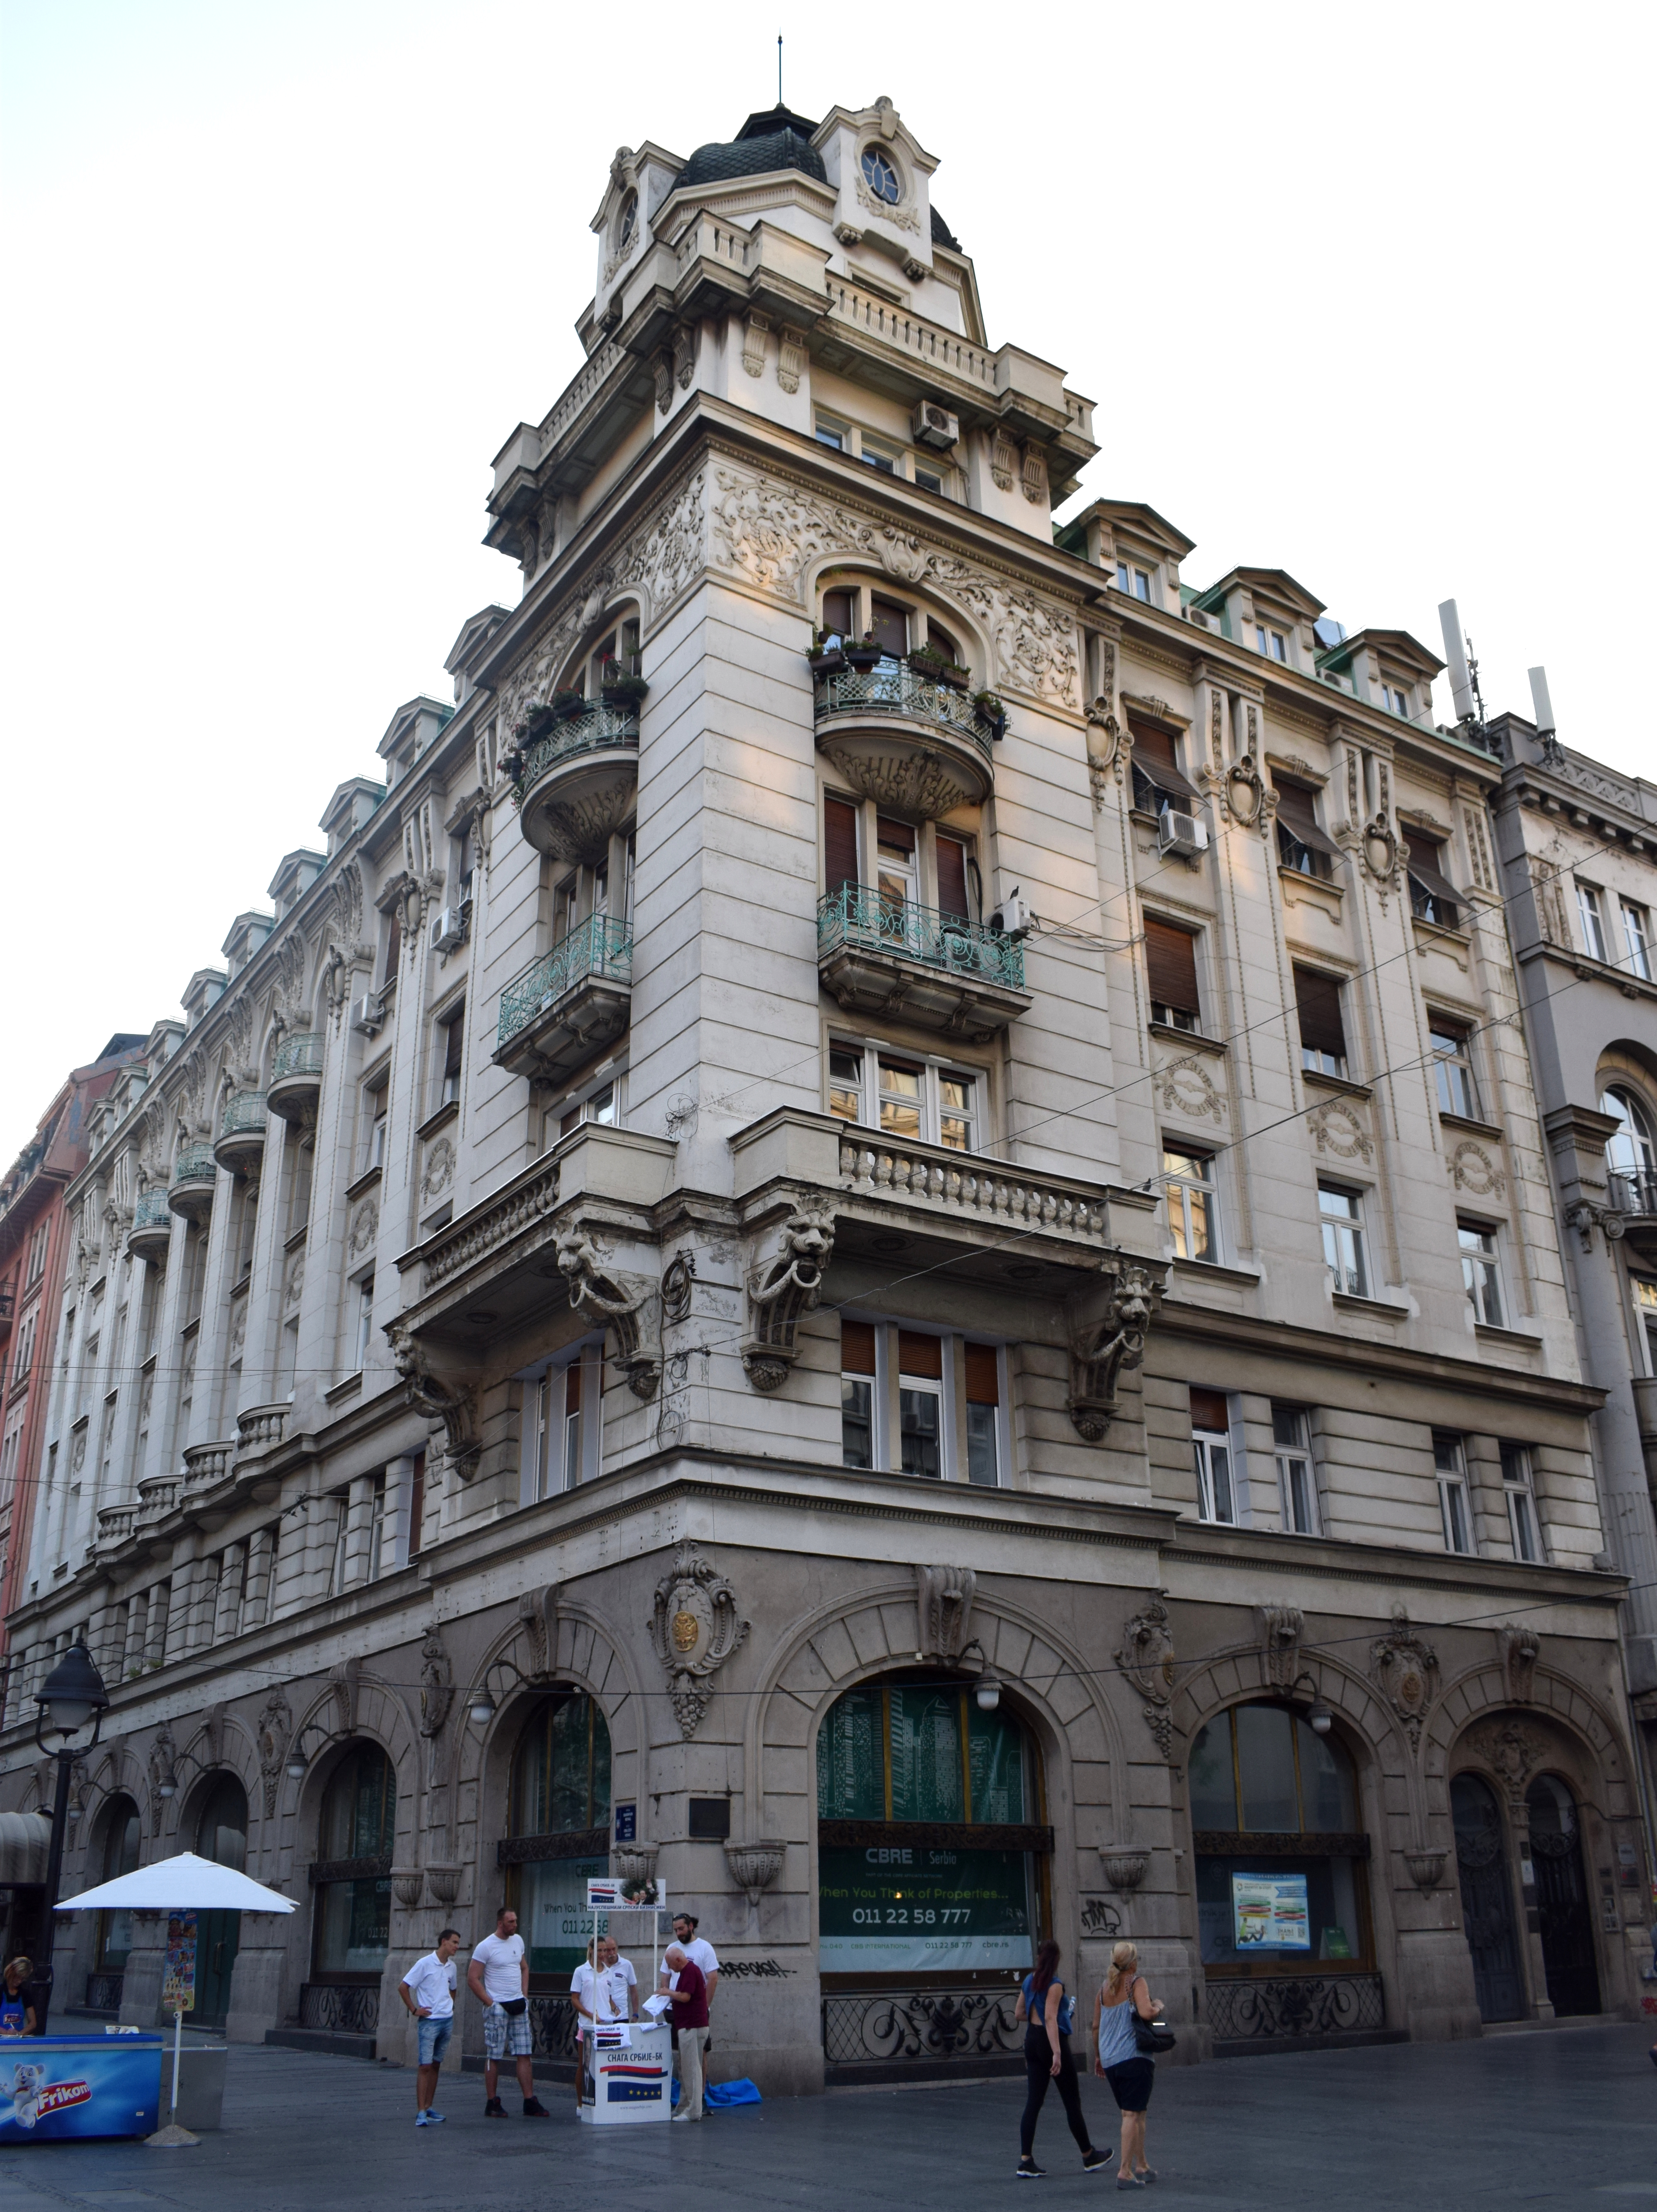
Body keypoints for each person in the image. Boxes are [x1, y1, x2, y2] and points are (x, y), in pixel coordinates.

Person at [1014, 1938, 1111, 2180]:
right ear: (1056, 1961)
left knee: (1034, 2102)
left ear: (1039, 1958)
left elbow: (1019, 2014)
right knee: (1071, 2101)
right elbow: (1050, 2019)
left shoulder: (1029, 1981)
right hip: (1050, 2041)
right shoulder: (1055, 1985)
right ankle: (1088, 2155)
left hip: (1032, 2042)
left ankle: (1026, 2160)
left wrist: (1038, 2017)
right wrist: (1057, 2052)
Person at [468, 1904, 550, 2119]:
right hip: (498, 2006)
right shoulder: (486, 1946)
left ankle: (529, 2101)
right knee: (494, 2055)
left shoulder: (518, 1941)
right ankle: (492, 2102)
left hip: (518, 2005)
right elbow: (473, 1978)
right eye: (511, 1922)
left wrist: (524, 1995)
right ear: (500, 1923)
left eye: (516, 1921)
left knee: (524, 2053)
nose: (515, 1925)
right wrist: (490, 2002)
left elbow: (524, 1967)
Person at [1092, 1939, 1159, 2187]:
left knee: (1136, 2112)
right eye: (1137, 1960)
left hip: (1110, 2060)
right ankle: (1125, 2172)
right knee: (1132, 2114)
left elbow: (1096, 2027)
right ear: (1132, 1964)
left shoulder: (1103, 1989)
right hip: (1133, 2057)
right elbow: (1146, 2013)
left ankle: (1141, 2165)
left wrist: (1098, 2057)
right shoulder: (1136, 1983)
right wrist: (1158, 2006)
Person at [399, 1928, 462, 2127]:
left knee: (436, 2064)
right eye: (454, 1942)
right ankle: (421, 2111)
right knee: (425, 2065)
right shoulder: (425, 1964)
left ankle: (429, 2106)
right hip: (430, 2022)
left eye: (458, 1943)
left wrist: (449, 2007)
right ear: (444, 1942)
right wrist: (414, 2009)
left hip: (446, 2020)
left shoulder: (452, 1967)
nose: (457, 1947)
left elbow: (453, 1989)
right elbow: (404, 1986)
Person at [571, 1933, 638, 2111]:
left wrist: (615, 2009)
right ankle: (580, 2103)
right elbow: (575, 1999)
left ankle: (602, 2101)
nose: (603, 1954)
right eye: (599, 1950)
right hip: (587, 2025)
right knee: (584, 2064)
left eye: (605, 1950)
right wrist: (590, 2014)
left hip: (606, 2025)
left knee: (604, 2064)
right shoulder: (581, 1971)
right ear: (591, 1951)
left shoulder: (609, 1972)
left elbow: (607, 1997)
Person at [662, 1943, 710, 2122]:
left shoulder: (690, 1971)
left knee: (692, 2069)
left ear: (678, 1960)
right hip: (688, 2026)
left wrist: (668, 1992)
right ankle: (684, 2106)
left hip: (693, 2027)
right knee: (686, 2069)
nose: (668, 1968)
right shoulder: (687, 1972)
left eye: (669, 1963)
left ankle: (694, 2111)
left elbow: (685, 1996)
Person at [0, 1960, 36, 2038]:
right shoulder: (1, 1991)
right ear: (11, 1973)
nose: (19, 1981)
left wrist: (20, 2034)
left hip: (18, 2039)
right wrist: (6, 2033)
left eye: (22, 1979)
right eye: (17, 1978)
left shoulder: (25, 1994)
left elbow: (33, 2023)